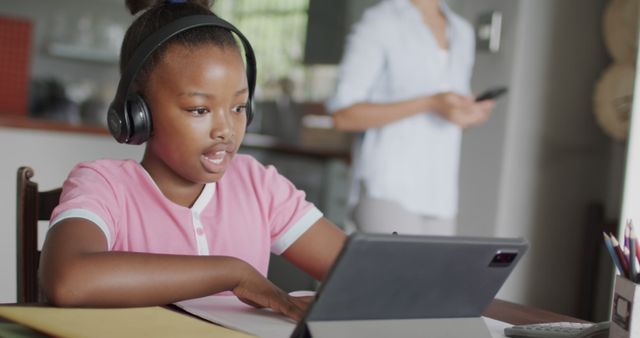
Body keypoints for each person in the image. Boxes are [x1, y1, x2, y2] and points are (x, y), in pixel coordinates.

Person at [39, 0, 346, 321]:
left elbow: (362, 271)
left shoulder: (258, 185)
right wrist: (232, 273)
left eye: (239, 108)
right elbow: (67, 281)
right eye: (199, 110)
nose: (226, 130)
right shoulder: (104, 185)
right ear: (137, 113)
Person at [327, 0, 495, 236]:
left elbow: (449, 121)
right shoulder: (380, 22)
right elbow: (343, 116)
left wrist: (467, 115)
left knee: (438, 274)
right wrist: (430, 103)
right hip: (388, 188)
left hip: (441, 195)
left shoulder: (462, 31)